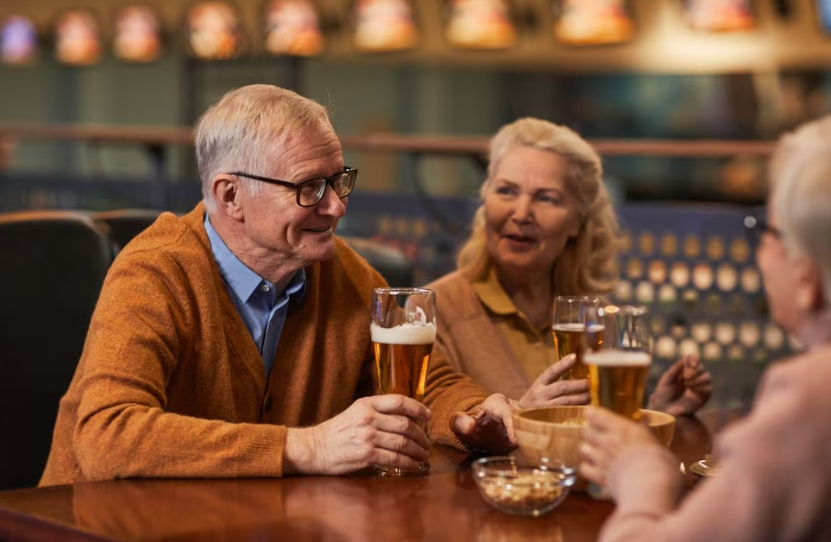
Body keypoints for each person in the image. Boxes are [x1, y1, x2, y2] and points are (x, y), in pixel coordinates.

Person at [40, 85, 514, 486]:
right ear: (231, 195)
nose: (336, 208)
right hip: (90, 525)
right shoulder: (155, 272)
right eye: (309, 187)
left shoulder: (347, 273)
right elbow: (108, 436)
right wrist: (307, 446)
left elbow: (427, 384)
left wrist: (474, 416)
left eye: (338, 181)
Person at [580, 115, 831, 542]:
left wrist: (643, 473)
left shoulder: (811, 395)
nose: (760, 251)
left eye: (767, 230)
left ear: (806, 280)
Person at [426, 117, 711, 415]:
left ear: (577, 221)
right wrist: (523, 415)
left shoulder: (596, 318)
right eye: (507, 191)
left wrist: (655, 411)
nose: (522, 213)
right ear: (485, 201)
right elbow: (433, 435)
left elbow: (605, 433)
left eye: (546, 198)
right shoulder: (437, 310)